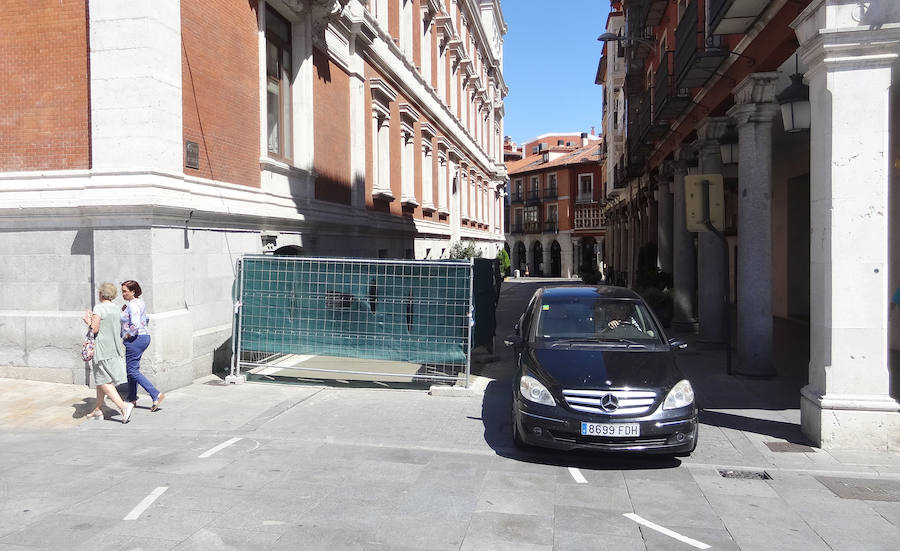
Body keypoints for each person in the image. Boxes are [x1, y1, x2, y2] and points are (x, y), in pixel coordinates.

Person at [82, 283, 134, 423]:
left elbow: (95, 329)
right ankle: (98, 410)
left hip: (102, 349)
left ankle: (123, 407)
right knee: (101, 379)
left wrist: (88, 321)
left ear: (101, 294)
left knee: (103, 380)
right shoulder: (116, 308)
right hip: (114, 347)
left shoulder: (99, 308)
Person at [121, 280, 165, 412]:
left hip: (136, 339)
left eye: (125, 291)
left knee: (132, 370)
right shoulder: (140, 302)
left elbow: (134, 324)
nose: (122, 294)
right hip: (144, 337)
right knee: (131, 369)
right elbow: (145, 319)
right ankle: (132, 398)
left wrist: (128, 334)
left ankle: (155, 394)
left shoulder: (133, 305)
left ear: (133, 291)